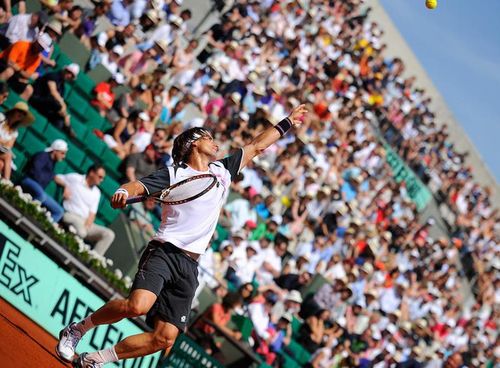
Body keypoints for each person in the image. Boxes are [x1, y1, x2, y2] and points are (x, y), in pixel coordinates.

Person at [56, 104, 308, 367]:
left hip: (190, 265)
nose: (215, 143)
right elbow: (138, 186)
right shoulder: (174, 173)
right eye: (208, 138)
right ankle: (78, 329)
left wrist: (288, 122)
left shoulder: (222, 171)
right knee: (137, 306)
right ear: (192, 143)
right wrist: (122, 192)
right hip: (164, 252)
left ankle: (95, 359)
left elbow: (257, 146)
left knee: (164, 339)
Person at [55, 164, 115, 256]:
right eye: (100, 177)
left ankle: (92, 260)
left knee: (109, 234)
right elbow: (57, 177)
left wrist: (87, 225)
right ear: (91, 173)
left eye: (103, 178)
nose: (101, 180)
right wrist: (65, 186)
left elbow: (92, 214)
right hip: (70, 215)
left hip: (85, 223)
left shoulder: (97, 192)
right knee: (82, 232)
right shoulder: (75, 178)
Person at [21, 139, 68, 222]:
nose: (63, 156)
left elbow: (50, 175)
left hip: (39, 188)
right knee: (41, 196)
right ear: (55, 151)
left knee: (59, 211)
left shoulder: (52, 163)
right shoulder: (42, 156)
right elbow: (35, 173)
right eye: (62, 153)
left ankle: (42, 228)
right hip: (28, 180)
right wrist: (51, 176)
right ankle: (25, 217)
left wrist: (65, 185)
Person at [29, 63, 79, 135]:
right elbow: (53, 92)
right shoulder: (53, 76)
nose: (69, 76)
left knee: (59, 118)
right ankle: (68, 125)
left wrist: (64, 113)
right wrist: (63, 106)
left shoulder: (62, 87)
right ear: (65, 70)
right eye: (68, 72)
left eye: (72, 75)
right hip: (37, 98)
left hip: (47, 107)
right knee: (56, 104)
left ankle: (51, 134)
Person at [0, 33, 52, 99]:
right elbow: (10, 62)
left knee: (29, 89)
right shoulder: (21, 44)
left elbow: (28, 75)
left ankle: (16, 107)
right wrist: (21, 72)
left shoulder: (37, 59)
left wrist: (19, 71)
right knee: (9, 71)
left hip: (17, 74)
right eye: (39, 46)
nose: (39, 49)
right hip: (3, 64)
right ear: (36, 41)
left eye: (42, 48)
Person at [0, 101, 34, 179]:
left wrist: (3, 142)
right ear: (14, 111)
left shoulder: (15, 132)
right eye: (20, 111)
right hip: (3, 152)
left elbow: (9, 146)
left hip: (2, 151)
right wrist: (3, 142)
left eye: (24, 114)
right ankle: (7, 182)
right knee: (8, 156)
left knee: (1, 164)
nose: (21, 114)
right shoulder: (1, 119)